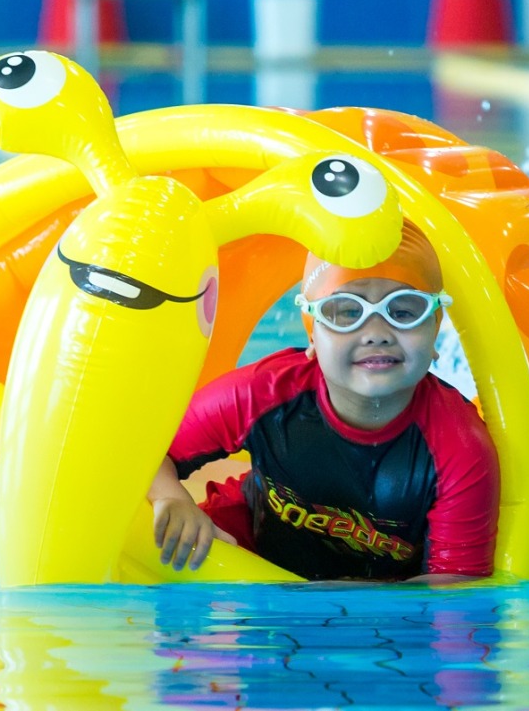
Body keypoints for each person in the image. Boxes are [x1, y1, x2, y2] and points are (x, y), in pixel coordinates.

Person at [147, 219, 500, 582]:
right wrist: (171, 498)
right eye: (346, 312)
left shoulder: (460, 447)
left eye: (404, 311)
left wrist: (344, 599)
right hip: (251, 556)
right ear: (312, 334)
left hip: (388, 601)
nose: (376, 334)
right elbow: (146, 450)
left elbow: (456, 585)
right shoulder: (262, 392)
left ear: (434, 331)